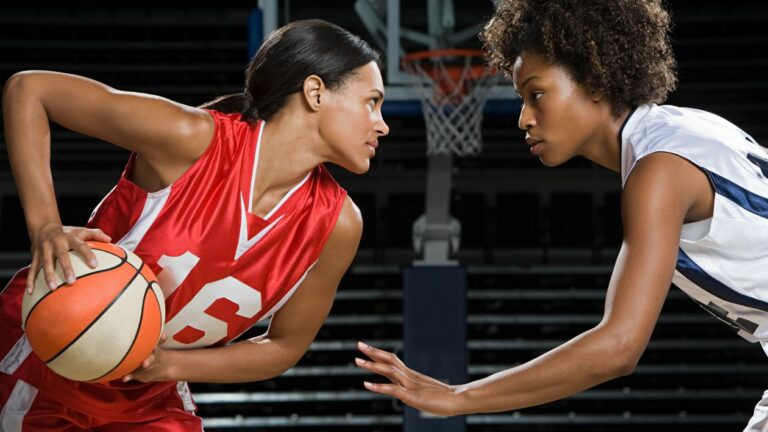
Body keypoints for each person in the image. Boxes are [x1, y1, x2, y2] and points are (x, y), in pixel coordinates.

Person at [356, 0, 768, 430]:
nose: (523, 119)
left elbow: (618, 347)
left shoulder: (659, 169)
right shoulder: (684, 130)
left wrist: (458, 397)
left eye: (536, 94)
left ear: (594, 78)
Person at [0, 18, 388, 430]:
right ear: (315, 93)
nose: (382, 124)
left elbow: (283, 346)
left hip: (148, 395)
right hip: (46, 354)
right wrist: (45, 225)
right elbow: (30, 90)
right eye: (371, 102)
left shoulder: (339, 224)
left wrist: (169, 365)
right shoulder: (192, 140)